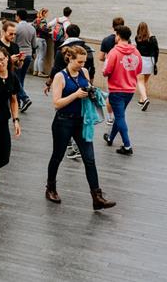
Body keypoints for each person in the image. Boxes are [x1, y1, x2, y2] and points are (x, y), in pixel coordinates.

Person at [45, 46, 116, 210]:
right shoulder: (60, 76)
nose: (82, 64)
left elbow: (88, 87)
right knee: (58, 156)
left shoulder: (84, 72)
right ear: (70, 58)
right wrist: (75, 95)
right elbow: (56, 103)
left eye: (84, 61)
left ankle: (97, 197)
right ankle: (50, 188)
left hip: (82, 122)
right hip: (63, 121)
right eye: (79, 61)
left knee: (89, 159)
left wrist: (92, 92)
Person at [0, 47, 21, 210]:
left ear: (8, 58)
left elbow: (13, 100)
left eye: (2, 59)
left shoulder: (12, 76)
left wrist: (16, 120)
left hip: (3, 121)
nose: (0, 63)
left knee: (4, 158)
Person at [102, 25, 142, 155]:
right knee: (120, 116)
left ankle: (127, 146)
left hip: (116, 90)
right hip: (130, 90)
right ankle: (110, 138)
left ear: (118, 36)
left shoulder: (114, 52)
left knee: (119, 117)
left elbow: (106, 71)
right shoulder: (136, 52)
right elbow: (139, 69)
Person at [98, 17, 125, 126]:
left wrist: (109, 59)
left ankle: (110, 117)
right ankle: (120, 116)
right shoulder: (127, 41)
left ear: (112, 26)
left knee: (111, 93)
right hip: (122, 68)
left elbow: (100, 57)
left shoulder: (106, 40)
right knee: (121, 94)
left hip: (109, 69)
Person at [14, 10, 37, 112]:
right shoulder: (32, 28)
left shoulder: (16, 28)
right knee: (21, 78)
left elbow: (13, 42)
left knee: (16, 78)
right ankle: (19, 101)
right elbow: (34, 43)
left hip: (19, 55)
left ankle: (24, 98)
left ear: (18, 16)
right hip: (28, 55)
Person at [135, 22, 159, 112]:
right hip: (150, 61)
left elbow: (137, 50)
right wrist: (155, 62)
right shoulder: (152, 39)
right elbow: (156, 51)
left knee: (140, 81)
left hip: (141, 60)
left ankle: (145, 99)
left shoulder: (137, 38)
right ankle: (141, 100)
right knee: (145, 81)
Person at [32, 8, 50, 77]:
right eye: (47, 13)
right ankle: (40, 72)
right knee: (41, 56)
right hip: (42, 39)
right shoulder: (43, 20)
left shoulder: (36, 20)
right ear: (44, 13)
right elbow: (44, 28)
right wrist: (49, 29)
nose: (48, 14)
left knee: (37, 56)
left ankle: (35, 71)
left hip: (36, 38)